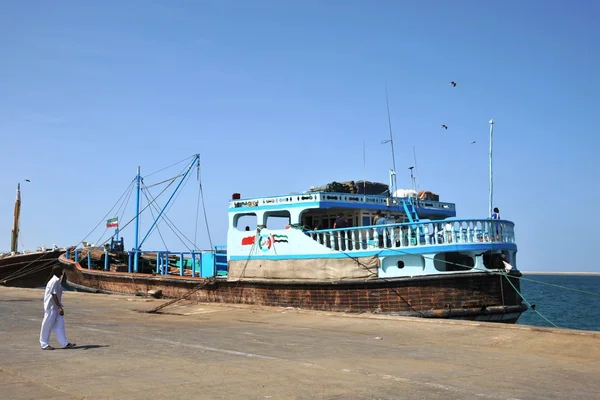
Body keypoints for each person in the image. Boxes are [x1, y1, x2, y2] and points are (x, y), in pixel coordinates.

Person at [40, 265, 75, 350]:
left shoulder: (57, 280)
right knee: (47, 325)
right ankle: (44, 344)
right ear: (58, 272)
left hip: (55, 307)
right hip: (51, 307)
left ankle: (64, 343)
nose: (62, 272)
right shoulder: (54, 281)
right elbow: (53, 294)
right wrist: (59, 307)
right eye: (61, 270)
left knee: (60, 325)